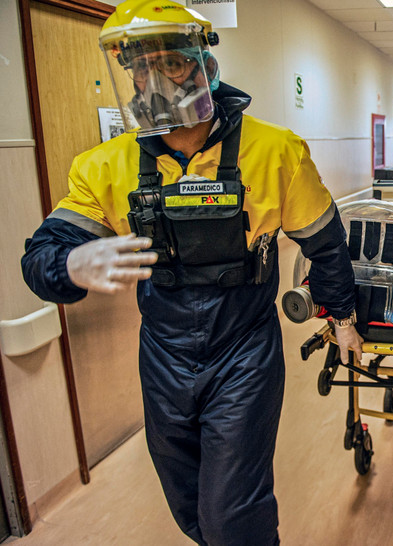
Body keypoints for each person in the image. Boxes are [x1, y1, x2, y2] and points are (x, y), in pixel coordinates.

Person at [20, 1, 362, 544]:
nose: (153, 82)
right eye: (138, 68)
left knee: (233, 515)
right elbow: (40, 260)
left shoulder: (276, 153)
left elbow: (326, 245)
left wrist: (342, 313)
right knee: (189, 505)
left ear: (203, 63)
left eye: (171, 66)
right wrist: (70, 261)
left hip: (243, 347)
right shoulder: (102, 167)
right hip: (162, 352)